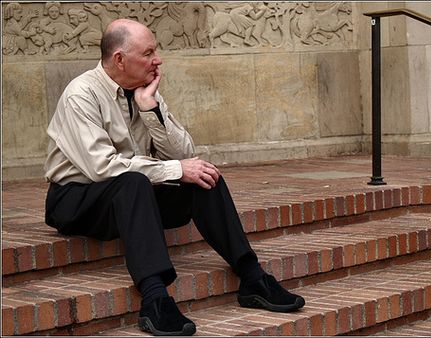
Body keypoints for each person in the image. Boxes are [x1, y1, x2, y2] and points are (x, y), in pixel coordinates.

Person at [44, 18, 305, 336]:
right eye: (149, 52)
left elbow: (185, 152)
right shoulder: (81, 94)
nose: (158, 60)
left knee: (204, 177)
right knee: (135, 181)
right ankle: (154, 299)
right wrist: (176, 169)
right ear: (120, 60)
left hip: (131, 199)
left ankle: (251, 277)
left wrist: (150, 109)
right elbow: (102, 168)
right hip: (76, 199)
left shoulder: (143, 92)